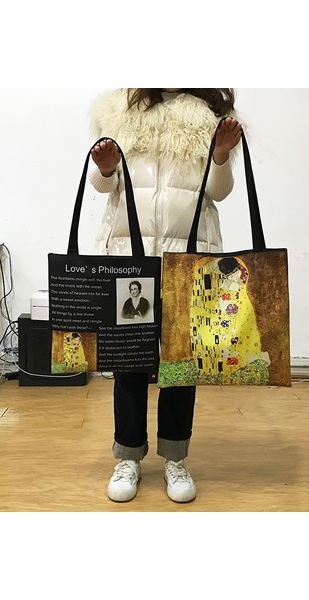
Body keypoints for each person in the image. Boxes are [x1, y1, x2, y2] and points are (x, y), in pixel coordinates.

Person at [88, 88, 242, 503]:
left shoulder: (210, 116)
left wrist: (221, 156)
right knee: (129, 363)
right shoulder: (119, 111)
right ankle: (128, 456)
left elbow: (218, 192)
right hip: (129, 259)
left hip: (188, 259)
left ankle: (175, 456)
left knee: (180, 364)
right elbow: (105, 187)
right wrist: (105, 169)